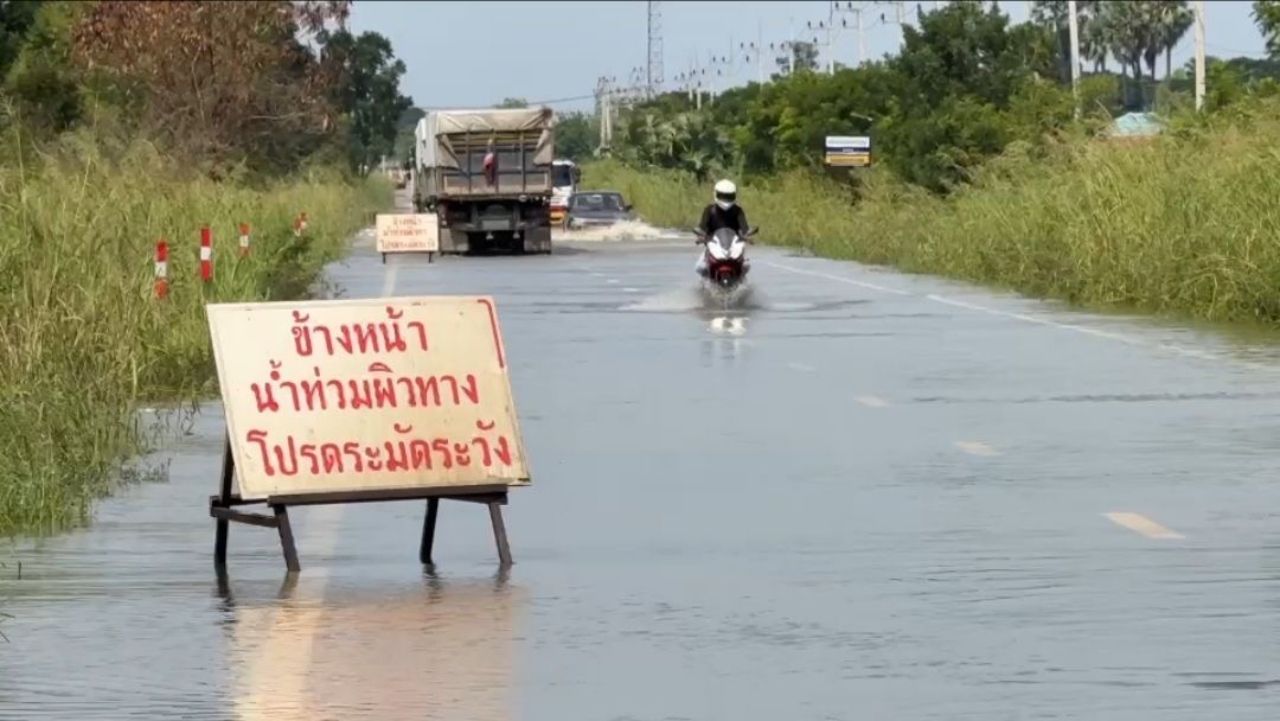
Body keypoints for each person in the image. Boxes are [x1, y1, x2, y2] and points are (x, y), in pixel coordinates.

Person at [695, 179, 750, 277]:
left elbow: (745, 228)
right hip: (713, 244)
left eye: (729, 196)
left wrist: (747, 236)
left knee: (746, 265)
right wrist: (701, 236)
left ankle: (742, 284)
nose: (726, 199)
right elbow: (702, 228)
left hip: (733, 245)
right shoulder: (709, 210)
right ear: (716, 194)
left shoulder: (738, 211)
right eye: (723, 196)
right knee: (700, 267)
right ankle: (705, 286)